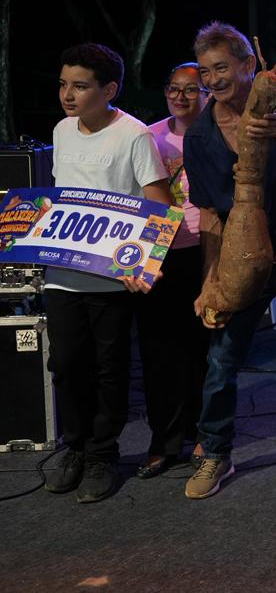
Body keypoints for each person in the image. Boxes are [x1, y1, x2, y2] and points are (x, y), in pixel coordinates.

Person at [182, 21, 276, 499]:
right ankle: (215, 452)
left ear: (249, 64)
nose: (212, 80)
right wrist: (211, 280)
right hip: (240, 257)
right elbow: (210, 215)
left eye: (221, 68)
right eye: (205, 72)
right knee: (223, 357)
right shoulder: (200, 136)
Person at [42, 43, 171, 503]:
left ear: (109, 89)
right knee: (65, 364)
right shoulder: (61, 130)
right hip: (62, 272)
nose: (67, 95)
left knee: (109, 368)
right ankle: (75, 447)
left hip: (111, 278)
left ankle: (101, 454)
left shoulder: (134, 136)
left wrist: (144, 264)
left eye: (80, 86)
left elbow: (159, 205)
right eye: (63, 84)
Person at [135, 62, 214, 479]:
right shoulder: (148, 136)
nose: (180, 97)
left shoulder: (220, 131)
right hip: (160, 251)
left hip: (206, 248)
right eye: (173, 88)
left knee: (204, 347)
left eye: (191, 89)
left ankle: (204, 435)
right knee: (159, 348)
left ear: (208, 94)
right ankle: (163, 440)